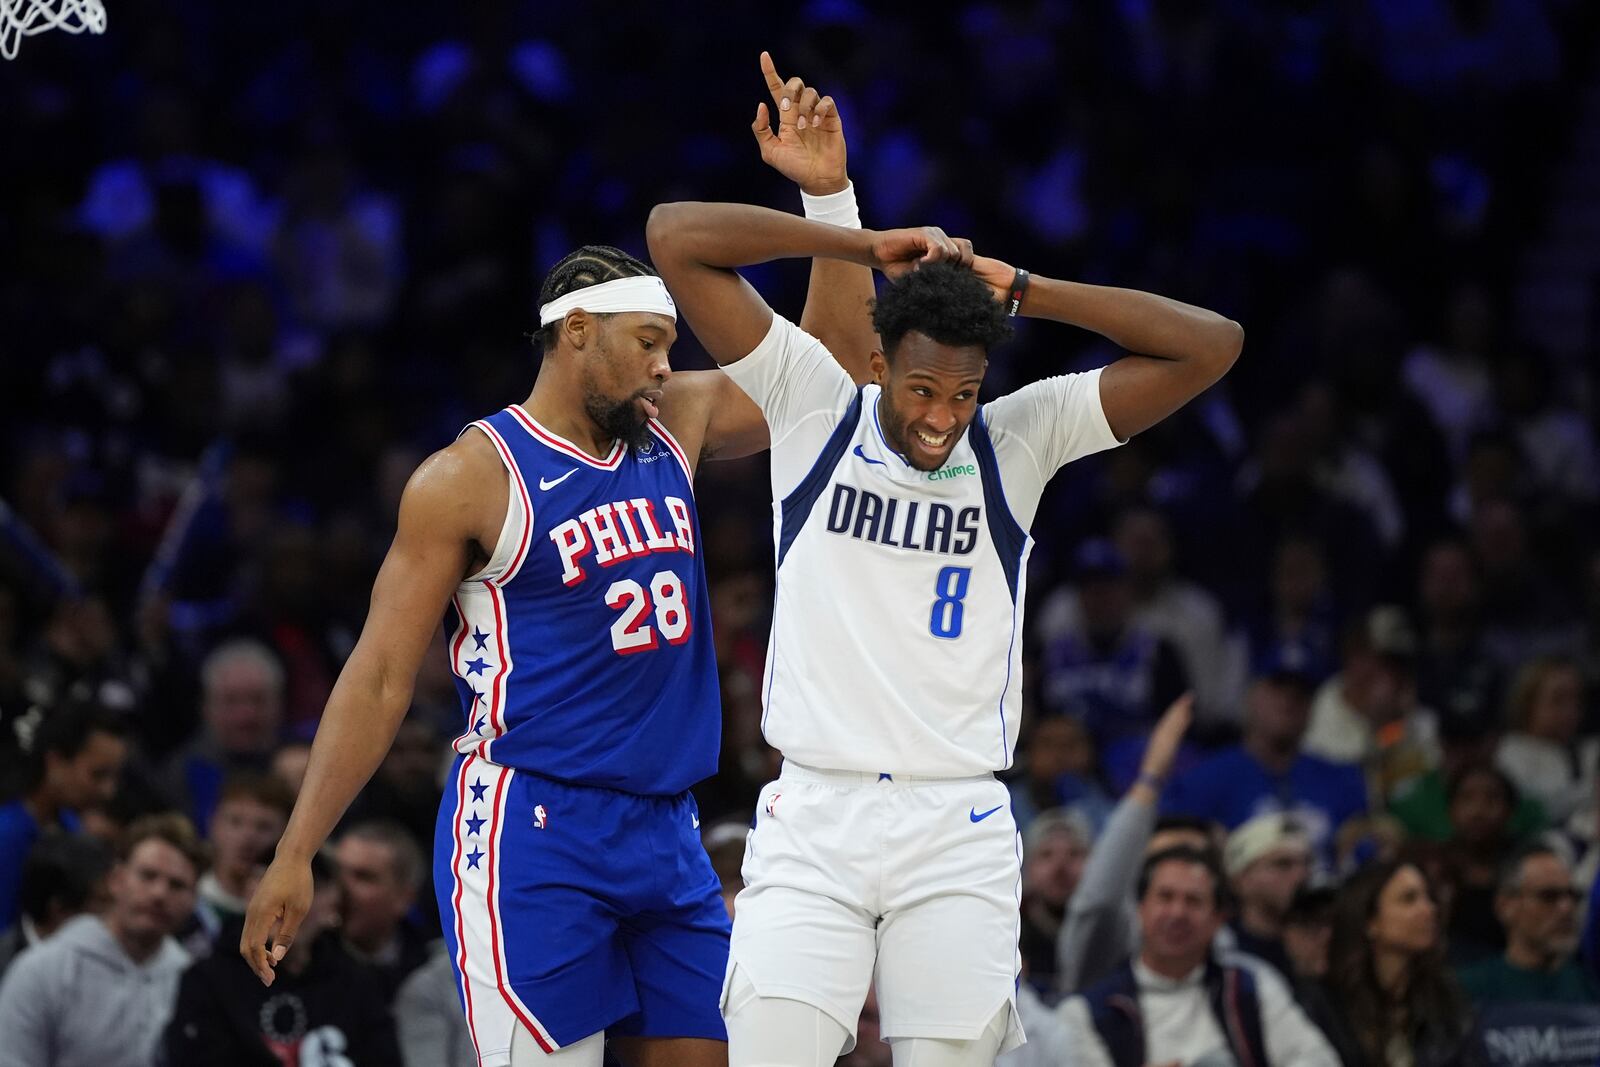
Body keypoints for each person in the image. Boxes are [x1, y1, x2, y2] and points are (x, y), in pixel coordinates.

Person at [243, 54, 876, 1067]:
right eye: (649, 341)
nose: (671, 364)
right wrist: (296, 848)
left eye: (673, 344)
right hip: (533, 825)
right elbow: (378, 676)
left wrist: (828, 195)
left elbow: (830, 375)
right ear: (576, 335)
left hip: (667, 829)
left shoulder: (675, 419)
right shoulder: (468, 476)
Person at [648, 164, 1242, 1064]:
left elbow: (1214, 344)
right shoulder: (814, 407)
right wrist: (857, 244)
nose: (942, 418)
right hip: (816, 809)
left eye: (963, 394)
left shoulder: (1019, 438)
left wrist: (1031, 292)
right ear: (880, 365)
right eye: (922, 390)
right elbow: (676, 236)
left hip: (957, 823)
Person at [1054, 847, 1338, 1066]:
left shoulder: (1252, 985)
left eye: (1194, 901)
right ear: (1140, 909)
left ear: (1218, 920)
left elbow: (1319, 1060)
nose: (1178, 913)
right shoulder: (1085, 1013)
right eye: (1165, 897)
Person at [0, 813, 204, 1067]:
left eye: (177, 885)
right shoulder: (43, 969)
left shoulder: (193, 981)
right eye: (148, 876)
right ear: (116, 880)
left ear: (194, 899)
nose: (159, 894)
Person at [165, 849, 402, 1066]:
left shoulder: (358, 985)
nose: (286, 900)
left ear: (334, 905)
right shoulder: (207, 980)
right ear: (249, 895)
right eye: (268, 882)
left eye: (311, 886)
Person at [1165, 667, 1367, 871]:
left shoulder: (1341, 779)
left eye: (1301, 693)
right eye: (1278, 687)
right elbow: (1170, 843)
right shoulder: (1205, 780)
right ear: (1250, 696)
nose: (1289, 700)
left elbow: (1366, 843)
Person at [1304, 859, 1472, 1066]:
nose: (1429, 909)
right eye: (1409, 899)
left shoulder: (1444, 993)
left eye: (1428, 897)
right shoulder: (1325, 1003)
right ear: (1370, 922)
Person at [0, 703, 126, 930]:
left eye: (114, 777)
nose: (109, 791)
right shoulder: (6, 835)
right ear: (55, 762)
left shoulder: (71, 825)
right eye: (98, 775)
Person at [1457, 845, 1598, 1006]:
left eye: (1572, 896)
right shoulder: (1469, 989)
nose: (1566, 908)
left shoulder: (1589, 987)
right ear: (1505, 906)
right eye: (1548, 896)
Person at [0, 831, 113, 978]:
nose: (112, 912)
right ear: (60, 909)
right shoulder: (6, 966)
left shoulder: (113, 957)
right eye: (102, 902)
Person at [1223, 812, 1313, 978]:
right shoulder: (1218, 952)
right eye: (1283, 864)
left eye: (1306, 863)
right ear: (1240, 880)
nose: (1301, 875)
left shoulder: (1323, 943)